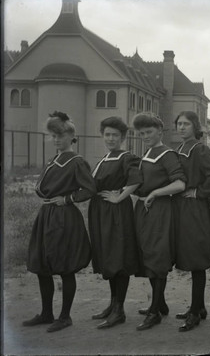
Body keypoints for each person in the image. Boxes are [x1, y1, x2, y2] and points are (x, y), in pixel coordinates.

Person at [23, 111, 96, 332]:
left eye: (60, 136)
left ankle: (65, 316)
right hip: (46, 216)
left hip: (64, 218)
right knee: (42, 266)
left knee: (65, 267)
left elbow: (90, 189)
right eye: (53, 136)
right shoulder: (53, 159)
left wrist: (67, 199)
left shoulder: (77, 162)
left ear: (71, 136)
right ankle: (47, 313)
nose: (56, 140)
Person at [133, 112, 187, 331]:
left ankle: (155, 312)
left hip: (160, 210)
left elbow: (180, 185)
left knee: (157, 257)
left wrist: (155, 193)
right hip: (145, 209)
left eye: (149, 132)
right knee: (148, 255)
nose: (145, 135)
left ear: (160, 132)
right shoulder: (147, 153)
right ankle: (160, 303)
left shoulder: (167, 154)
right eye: (142, 133)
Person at [88, 116, 142, 329]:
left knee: (118, 258)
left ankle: (119, 310)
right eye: (107, 134)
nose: (111, 138)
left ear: (123, 137)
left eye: (115, 135)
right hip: (101, 212)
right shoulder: (104, 159)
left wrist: (119, 197)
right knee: (109, 257)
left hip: (117, 213)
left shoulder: (126, 157)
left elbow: (136, 181)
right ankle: (112, 304)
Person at [173, 110, 210, 332]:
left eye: (186, 124)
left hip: (196, 210)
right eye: (179, 124)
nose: (182, 127)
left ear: (195, 126)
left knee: (196, 261)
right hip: (182, 209)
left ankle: (195, 312)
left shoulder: (200, 149)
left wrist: (200, 193)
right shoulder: (179, 149)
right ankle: (199, 306)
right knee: (189, 257)